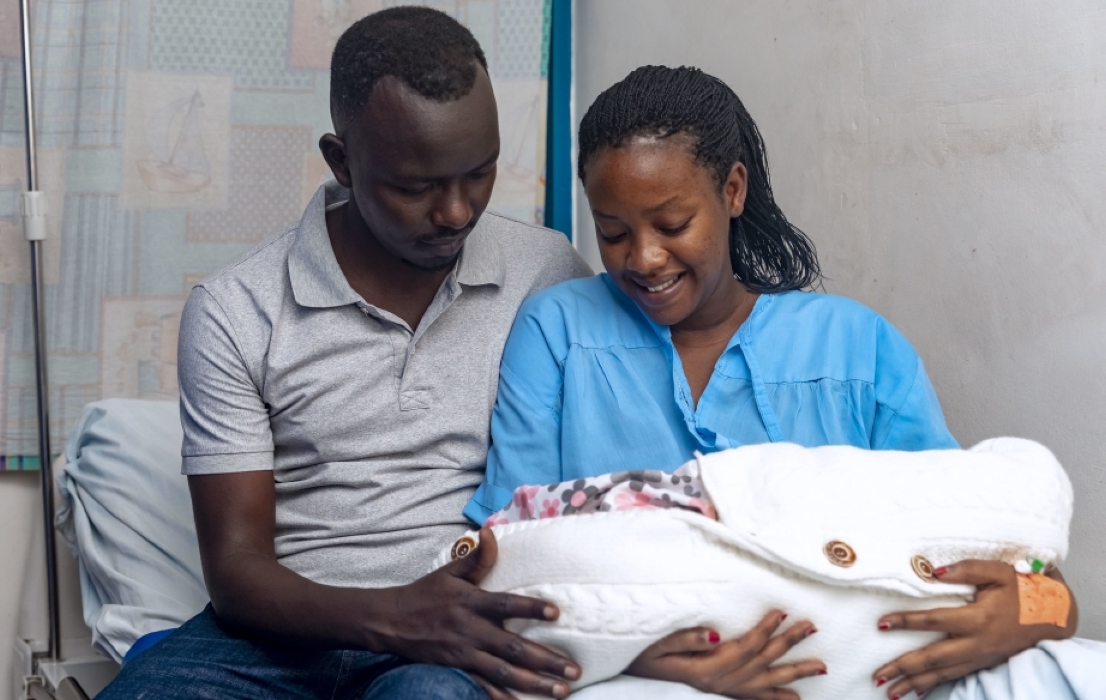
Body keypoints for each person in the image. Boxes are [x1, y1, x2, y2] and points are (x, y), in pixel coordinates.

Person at [465, 66, 1085, 700]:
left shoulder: (855, 348)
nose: (643, 258)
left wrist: (1042, 608)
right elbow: (509, 559)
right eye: (613, 232)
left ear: (733, 190)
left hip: (854, 666)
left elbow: (986, 538)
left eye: (673, 225)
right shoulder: (559, 333)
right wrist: (655, 661)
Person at [97, 8, 592, 700]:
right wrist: (392, 616)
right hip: (279, 637)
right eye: (415, 188)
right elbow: (237, 571)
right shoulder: (238, 309)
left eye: (479, 173)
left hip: (453, 628)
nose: (455, 211)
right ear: (341, 161)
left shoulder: (545, 272)